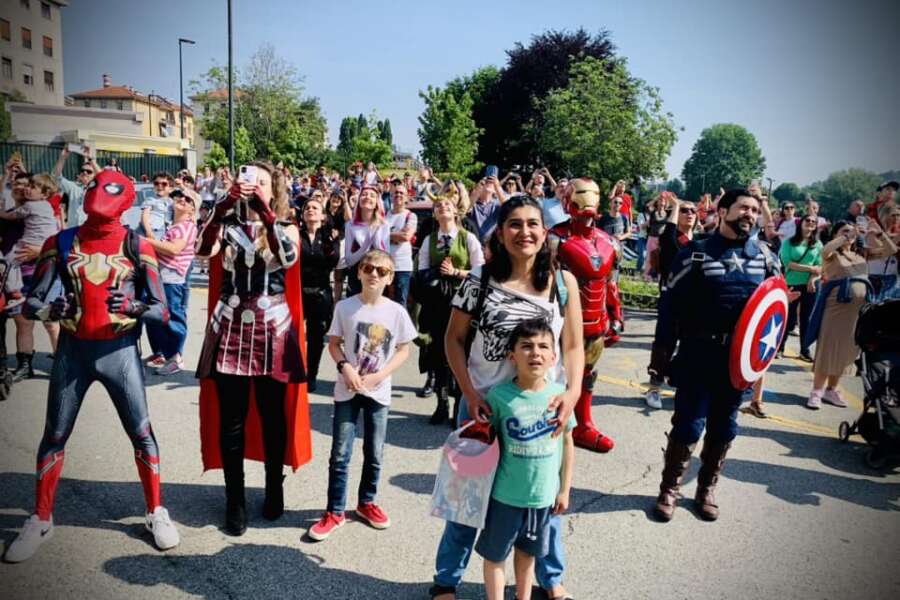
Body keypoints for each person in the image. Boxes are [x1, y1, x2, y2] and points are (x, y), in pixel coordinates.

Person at [5, 171, 179, 563]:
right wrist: (52, 307)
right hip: (74, 351)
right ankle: (41, 517)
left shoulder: (137, 245)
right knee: (55, 434)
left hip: (119, 351)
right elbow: (32, 303)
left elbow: (161, 309)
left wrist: (135, 307)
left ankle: (156, 511)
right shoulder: (62, 241)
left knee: (142, 433)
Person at [430, 195, 583, 600]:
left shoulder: (562, 283)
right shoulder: (479, 279)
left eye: (533, 223)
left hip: (540, 408)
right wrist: (467, 392)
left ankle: (550, 579)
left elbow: (573, 346)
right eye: (514, 224)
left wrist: (572, 393)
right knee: (468, 503)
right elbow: (453, 339)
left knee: (541, 498)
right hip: (482, 409)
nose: (525, 232)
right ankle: (447, 579)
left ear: (544, 230)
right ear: (500, 231)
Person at [195, 160, 311, 536]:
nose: (253, 187)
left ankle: (273, 488)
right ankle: (235, 501)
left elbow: (289, 259)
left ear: (272, 189)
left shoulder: (286, 226)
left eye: (262, 182)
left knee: (273, 416)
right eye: (249, 181)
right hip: (230, 324)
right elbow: (202, 251)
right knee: (232, 420)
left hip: (272, 326)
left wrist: (265, 212)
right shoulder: (226, 225)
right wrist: (221, 207)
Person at [652, 189, 782, 523]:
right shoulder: (695, 253)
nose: (749, 214)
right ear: (723, 211)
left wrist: (763, 355)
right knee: (688, 425)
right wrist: (661, 354)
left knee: (725, 427)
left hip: (737, 362)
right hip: (698, 353)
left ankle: (706, 489)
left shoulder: (766, 257)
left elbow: (773, 309)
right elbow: (669, 307)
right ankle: (670, 488)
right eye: (743, 208)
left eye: (754, 210)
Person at [308, 250, 416, 541]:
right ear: (359, 272)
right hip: (347, 388)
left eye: (382, 271)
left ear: (390, 277)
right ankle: (334, 510)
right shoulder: (345, 307)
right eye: (369, 268)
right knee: (340, 454)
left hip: (379, 391)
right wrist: (345, 367)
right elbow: (333, 344)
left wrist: (381, 375)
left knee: (375, 452)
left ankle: (366, 502)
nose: (374, 275)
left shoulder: (396, 312)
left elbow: (404, 349)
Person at [477, 318, 575, 600]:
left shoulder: (560, 396)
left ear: (553, 357)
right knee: (495, 555)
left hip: (541, 498)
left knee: (527, 555)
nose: (536, 353)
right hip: (504, 496)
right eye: (527, 346)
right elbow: (485, 444)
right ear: (512, 356)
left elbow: (568, 443)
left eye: (544, 346)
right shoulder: (499, 397)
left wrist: (564, 489)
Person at [549, 179, 623, 450]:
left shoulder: (610, 242)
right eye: (580, 194)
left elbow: (611, 284)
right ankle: (550, 423)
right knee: (551, 373)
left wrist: (616, 316)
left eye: (591, 194)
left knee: (587, 374)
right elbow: (543, 278)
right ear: (568, 201)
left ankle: (584, 425)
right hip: (559, 321)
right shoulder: (555, 237)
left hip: (595, 323)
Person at [805, 220, 895, 409]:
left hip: (858, 310)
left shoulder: (861, 254)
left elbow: (891, 250)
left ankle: (832, 389)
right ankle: (816, 391)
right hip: (836, 308)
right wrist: (847, 236)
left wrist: (879, 233)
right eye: (843, 231)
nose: (850, 234)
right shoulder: (832, 255)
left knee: (847, 350)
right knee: (828, 348)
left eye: (851, 230)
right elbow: (825, 250)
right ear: (837, 234)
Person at [415, 186, 484, 425]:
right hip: (437, 304)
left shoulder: (468, 238)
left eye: (447, 205)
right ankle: (441, 403)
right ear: (434, 215)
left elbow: (480, 272)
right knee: (437, 353)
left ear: (455, 212)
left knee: (461, 353)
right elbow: (421, 270)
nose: (442, 207)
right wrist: (436, 273)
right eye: (438, 206)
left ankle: (459, 405)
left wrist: (456, 272)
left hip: (463, 304)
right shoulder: (429, 240)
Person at [0, 173, 62, 381]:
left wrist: (40, 251)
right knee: (23, 321)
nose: (22, 188)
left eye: (27, 185)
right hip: (19, 273)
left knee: (50, 320)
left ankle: (63, 363)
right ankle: (25, 365)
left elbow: (56, 239)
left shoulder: (35, 208)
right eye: (15, 184)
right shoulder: (14, 209)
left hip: (40, 272)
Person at [645, 196, 697, 409]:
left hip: (694, 302)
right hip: (671, 297)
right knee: (664, 345)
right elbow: (667, 235)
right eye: (685, 210)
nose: (690, 214)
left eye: (693, 210)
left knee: (690, 346)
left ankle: (678, 384)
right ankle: (654, 389)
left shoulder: (701, 240)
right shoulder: (672, 236)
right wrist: (675, 206)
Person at [141, 189, 198, 375]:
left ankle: (175, 357)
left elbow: (174, 249)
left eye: (188, 199)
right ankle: (162, 354)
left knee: (172, 318)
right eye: (180, 196)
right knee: (154, 317)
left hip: (172, 279)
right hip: (162, 277)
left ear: (192, 210)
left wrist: (144, 240)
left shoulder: (187, 227)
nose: (182, 199)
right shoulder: (174, 226)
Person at [299, 195, 339, 392]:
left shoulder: (329, 237)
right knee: (293, 334)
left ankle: (311, 374)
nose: (311, 210)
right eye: (307, 208)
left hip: (321, 293)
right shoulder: (295, 235)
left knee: (316, 338)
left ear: (322, 215)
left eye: (315, 208)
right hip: (298, 291)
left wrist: (331, 245)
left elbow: (333, 261)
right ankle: (296, 369)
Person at [777, 213, 822, 363]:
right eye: (807, 220)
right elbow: (787, 263)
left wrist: (812, 279)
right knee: (788, 318)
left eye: (813, 222)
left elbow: (820, 266)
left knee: (806, 319)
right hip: (792, 284)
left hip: (810, 286)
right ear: (801, 223)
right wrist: (810, 270)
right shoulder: (789, 242)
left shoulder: (818, 245)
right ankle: (780, 347)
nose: (810, 223)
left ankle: (804, 350)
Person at [336, 185, 389, 299]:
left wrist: (376, 238)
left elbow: (386, 257)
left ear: (377, 202)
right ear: (359, 199)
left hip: (377, 275)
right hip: (356, 276)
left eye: (372, 195)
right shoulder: (350, 225)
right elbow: (349, 260)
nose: (367, 197)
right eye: (364, 194)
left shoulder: (384, 225)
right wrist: (365, 245)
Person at [51, 146, 98, 227]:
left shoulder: (98, 188)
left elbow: (105, 177)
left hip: (90, 229)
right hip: (73, 228)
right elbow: (56, 177)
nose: (85, 173)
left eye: (89, 171)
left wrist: (91, 160)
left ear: (94, 175)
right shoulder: (74, 187)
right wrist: (62, 157)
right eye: (82, 170)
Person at [387, 184, 417, 308]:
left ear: (406, 198)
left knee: (400, 304)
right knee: (385, 302)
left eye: (401, 193)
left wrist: (386, 235)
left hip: (402, 266)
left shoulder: (411, 216)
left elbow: (406, 237)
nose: (398, 195)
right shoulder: (385, 215)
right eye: (396, 193)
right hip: (385, 265)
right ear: (391, 196)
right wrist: (396, 236)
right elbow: (376, 235)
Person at [865, 208, 900, 301]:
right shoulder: (871, 232)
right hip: (874, 277)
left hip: (892, 278)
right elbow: (887, 250)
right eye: (893, 215)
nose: (896, 218)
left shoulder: (895, 234)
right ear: (883, 216)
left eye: (898, 215)